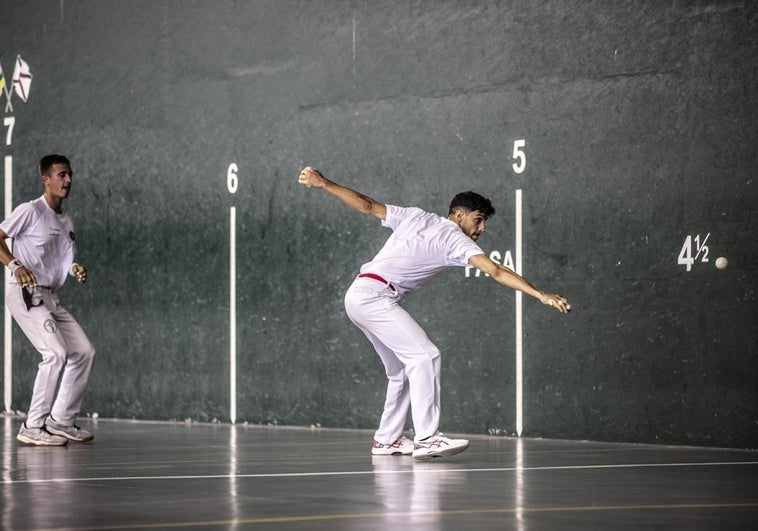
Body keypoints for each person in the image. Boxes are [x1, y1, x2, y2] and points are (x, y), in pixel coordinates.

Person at [298, 166, 570, 461]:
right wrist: (540, 294)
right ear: (458, 215)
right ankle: (427, 438)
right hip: (375, 297)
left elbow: (366, 205)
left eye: (484, 223)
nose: (482, 229)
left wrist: (324, 184)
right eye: (478, 220)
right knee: (425, 356)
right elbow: (496, 270)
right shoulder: (455, 238)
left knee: (401, 371)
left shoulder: (416, 216)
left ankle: (387, 440)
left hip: (358, 295)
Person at [0, 154, 96, 446]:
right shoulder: (30, 210)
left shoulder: (66, 219)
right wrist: (15, 264)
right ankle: (32, 425)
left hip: (50, 297)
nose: (68, 181)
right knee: (55, 354)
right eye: (62, 175)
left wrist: (72, 267)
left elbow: (59, 259)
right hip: (25, 294)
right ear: (46, 179)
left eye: (70, 175)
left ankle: (61, 420)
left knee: (83, 352)